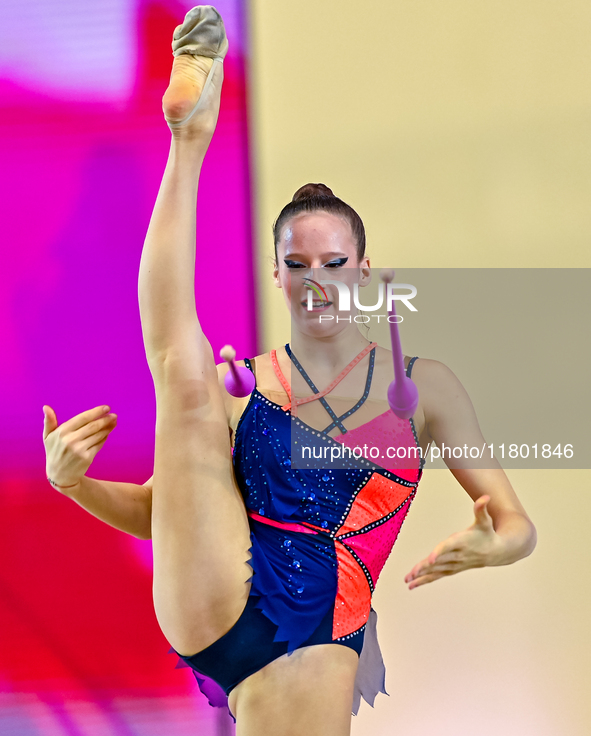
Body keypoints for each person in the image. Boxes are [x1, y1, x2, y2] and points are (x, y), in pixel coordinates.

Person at [42, 7, 537, 735]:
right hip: (218, 592)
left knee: (190, 379)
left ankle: (190, 137)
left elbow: (514, 522)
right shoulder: (239, 385)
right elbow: (163, 512)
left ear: (365, 274)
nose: (317, 282)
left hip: (313, 631)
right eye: (297, 266)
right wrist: (72, 483)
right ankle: (189, 138)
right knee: (184, 376)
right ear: (275, 276)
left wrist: (498, 543)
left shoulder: (423, 387)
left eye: (334, 265)